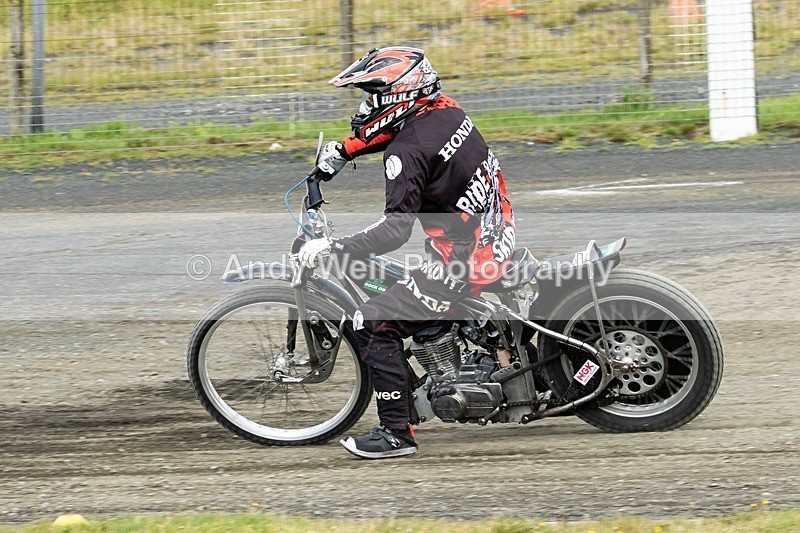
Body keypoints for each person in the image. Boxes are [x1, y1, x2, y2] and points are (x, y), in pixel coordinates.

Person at [297, 46, 515, 459]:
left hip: (465, 261)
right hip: (496, 227)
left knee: (369, 323)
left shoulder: (404, 154)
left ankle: (396, 433)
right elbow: (405, 131)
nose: (367, 106)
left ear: (399, 93)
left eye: (373, 96)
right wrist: (344, 151)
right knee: (400, 290)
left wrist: (334, 246)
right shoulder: (445, 109)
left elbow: (394, 232)